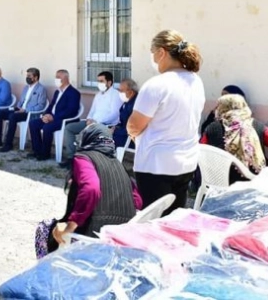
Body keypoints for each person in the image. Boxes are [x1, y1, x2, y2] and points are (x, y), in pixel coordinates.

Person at [127, 30, 205, 215]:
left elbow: (134, 125)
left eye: (152, 52)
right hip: (186, 162)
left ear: (161, 52)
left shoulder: (157, 84)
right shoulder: (195, 81)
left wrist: (133, 133)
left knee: (153, 220)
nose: (152, 57)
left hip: (156, 165)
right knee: (173, 220)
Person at [35, 124, 138, 259]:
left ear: (88, 138)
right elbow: (137, 200)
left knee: (44, 228)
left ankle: (45, 268)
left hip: (94, 235)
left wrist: (71, 225)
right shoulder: (118, 165)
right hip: (121, 236)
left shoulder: (84, 158)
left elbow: (91, 188)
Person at [201, 94, 268, 184]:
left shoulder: (212, 128)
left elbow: (201, 150)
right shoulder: (256, 126)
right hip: (253, 181)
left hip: (219, 181)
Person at [60, 71, 119, 168]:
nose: (99, 83)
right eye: (98, 81)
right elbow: (92, 110)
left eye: (101, 81)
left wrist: (97, 122)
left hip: (104, 124)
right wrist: (89, 119)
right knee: (69, 128)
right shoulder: (98, 94)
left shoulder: (115, 95)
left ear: (109, 82)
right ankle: (71, 158)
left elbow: (114, 114)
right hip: (91, 123)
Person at [0, 67, 47, 152]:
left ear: (36, 77)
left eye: (29, 76)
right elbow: (21, 101)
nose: (27, 78)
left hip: (30, 113)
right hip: (20, 110)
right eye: (27, 75)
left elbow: (41, 106)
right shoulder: (26, 87)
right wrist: (18, 108)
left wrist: (25, 109)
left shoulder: (41, 89)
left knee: (12, 116)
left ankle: (8, 144)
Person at [29, 70, 81, 161]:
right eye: (56, 77)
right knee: (33, 123)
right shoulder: (57, 92)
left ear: (66, 79)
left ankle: (45, 153)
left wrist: (53, 117)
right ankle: (37, 151)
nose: (56, 79)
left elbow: (71, 111)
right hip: (52, 117)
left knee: (47, 127)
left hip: (64, 120)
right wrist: (46, 115)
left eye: (58, 77)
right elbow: (51, 106)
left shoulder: (74, 93)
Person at [112, 78, 139, 148]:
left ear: (131, 92)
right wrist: (115, 128)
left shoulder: (136, 105)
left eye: (121, 91)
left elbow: (134, 127)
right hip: (123, 134)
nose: (119, 93)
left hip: (129, 140)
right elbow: (123, 122)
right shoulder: (127, 102)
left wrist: (116, 131)